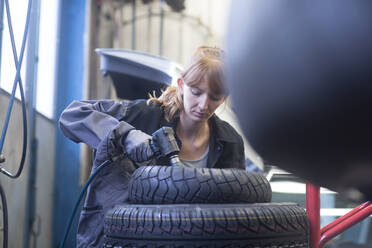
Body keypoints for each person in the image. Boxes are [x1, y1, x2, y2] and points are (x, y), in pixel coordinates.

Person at [59, 45, 245, 248]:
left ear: (224, 98)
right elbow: (72, 115)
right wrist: (125, 135)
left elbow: (236, 215)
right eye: (196, 92)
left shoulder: (230, 142)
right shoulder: (142, 116)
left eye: (215, 97)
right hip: (120, 240)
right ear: (181, 85)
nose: (203, 105)